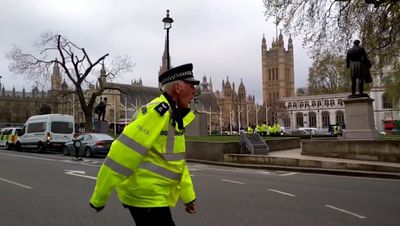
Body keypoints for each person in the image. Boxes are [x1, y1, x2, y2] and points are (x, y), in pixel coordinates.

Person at [89, 63, 200, 226]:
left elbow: (175, 163)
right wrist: (99, 197)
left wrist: (188, 197)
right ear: (178, 87)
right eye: (191, 86)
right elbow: (120, 154)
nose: (194, 91)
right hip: (145, 196)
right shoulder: (158, 113)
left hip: (153, 195)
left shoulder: (172, 117)